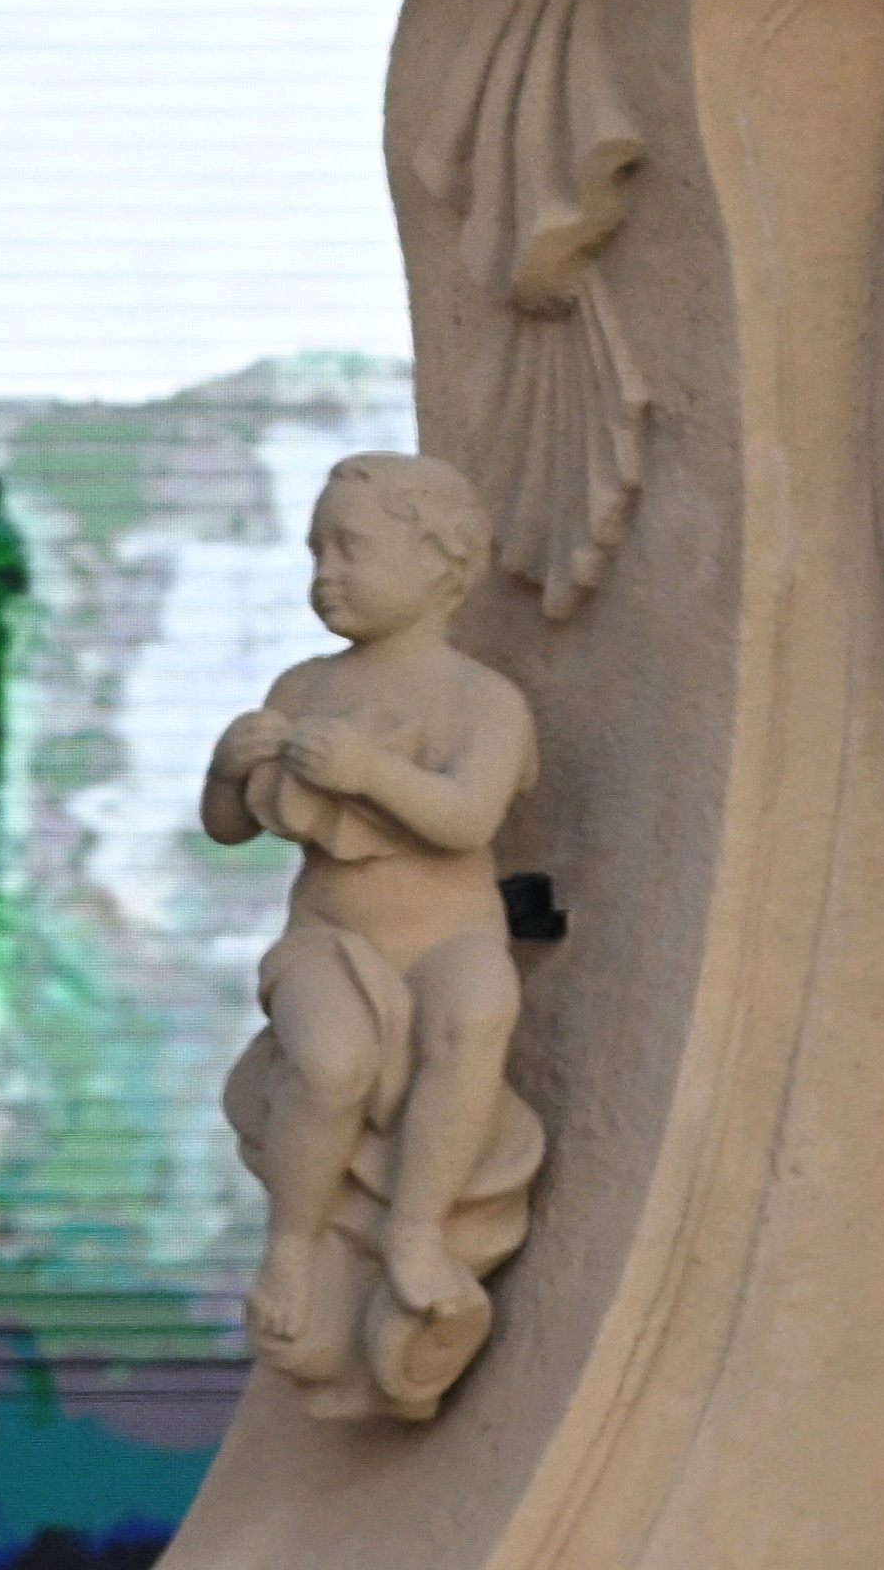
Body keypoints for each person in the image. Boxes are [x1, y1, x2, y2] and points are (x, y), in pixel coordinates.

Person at [205, 451, 546, 1420]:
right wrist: (227, 773)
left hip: (448, 938)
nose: (326, 573)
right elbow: (229, 828)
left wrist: (369, 775)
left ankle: (416, 1231)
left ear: (441, 562)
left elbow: (466, 819)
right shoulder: (302, 686)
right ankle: (292, 1244)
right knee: (329, 1063)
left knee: (478, 1012)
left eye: (350, 549)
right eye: (316, 551)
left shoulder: (485, 700)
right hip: (330, 940)